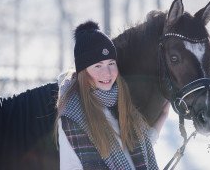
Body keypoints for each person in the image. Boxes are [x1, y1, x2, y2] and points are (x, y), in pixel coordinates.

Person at [55, 20, 170, 170]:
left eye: (111, 63)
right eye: (98, 66)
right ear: (83, 71)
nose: (107, 73)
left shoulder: (120, 100)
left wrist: (162, 118)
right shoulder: (74, 117)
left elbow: (133, 149)